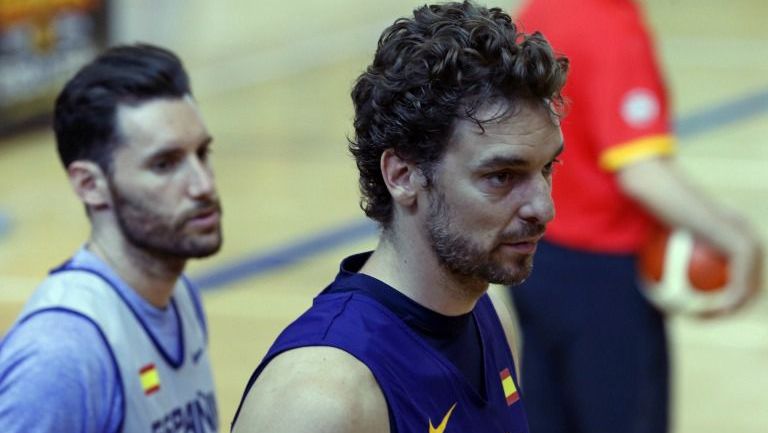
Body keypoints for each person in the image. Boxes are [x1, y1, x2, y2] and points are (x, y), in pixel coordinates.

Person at [231, 2, 568, 432]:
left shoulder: (491, 317)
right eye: (501, 176)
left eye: (546, 169)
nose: (543, 207)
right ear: (403, 175)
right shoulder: (320, 399)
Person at [507, 1, 764, 433]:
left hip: (536, 259)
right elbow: (641, 172)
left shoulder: (538, 10)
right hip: (603, 279)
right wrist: (736, 238)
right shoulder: (610, 29)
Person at [0, 44, 222, 433]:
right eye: (165, 164)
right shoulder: (62, 353)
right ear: (90, 185)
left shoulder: (179, 296)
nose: (203, 185)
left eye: (202, 153)